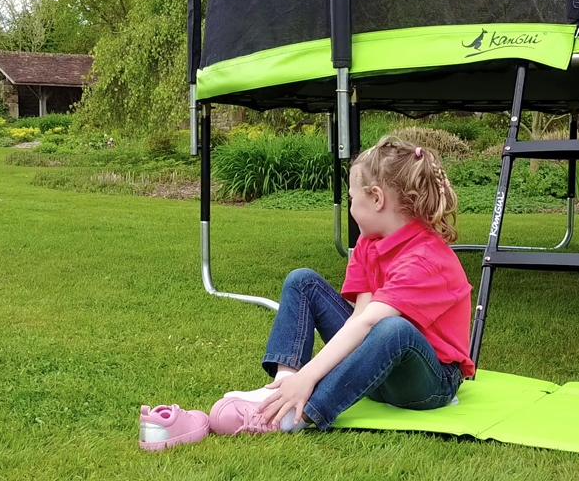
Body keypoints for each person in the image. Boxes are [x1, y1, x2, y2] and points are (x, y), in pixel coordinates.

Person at [138, 136, 471, 451]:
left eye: (353, 198)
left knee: (392, 329)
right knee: (302, 280)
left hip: (429, 384)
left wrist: (313, 377)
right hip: (378, 368)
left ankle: (301, 414)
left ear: (377, 198)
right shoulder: (368, 245)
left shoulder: (426, 259)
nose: (351, 206)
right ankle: (283, 386)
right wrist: (300, 377)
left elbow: (371, 325)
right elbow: (358, 317)